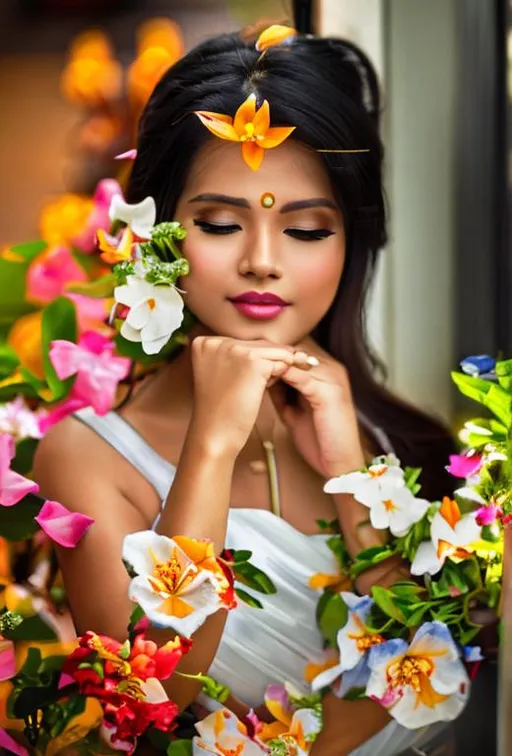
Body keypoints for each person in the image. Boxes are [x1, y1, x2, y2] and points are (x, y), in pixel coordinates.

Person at [33, 27, 457, 756]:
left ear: (352, 242)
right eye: (222, 223)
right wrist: (213, 445)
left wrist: (355, 481)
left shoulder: (407, 445)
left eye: (306, 230)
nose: (262, 262)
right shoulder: (84, 460)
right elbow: (146, 702)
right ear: (159, 233)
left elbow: (432, 673)